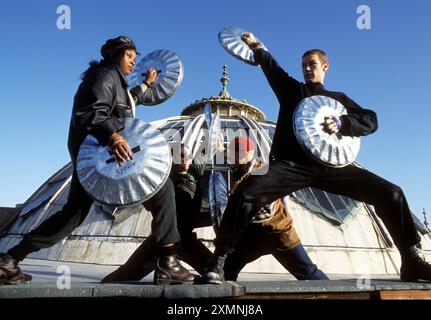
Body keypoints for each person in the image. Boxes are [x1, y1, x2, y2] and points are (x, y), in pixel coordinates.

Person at [202, 32, 431, 284]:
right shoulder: (292, 90)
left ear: (325, 66)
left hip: (331, 168)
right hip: (291, 165)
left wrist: (344, 122)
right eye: (303, 65)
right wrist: (255, 45)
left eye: (312, 64)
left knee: (392, 193)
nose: (307, 69)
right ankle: (219, 261)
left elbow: (370, 119)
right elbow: (271, 67)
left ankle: (412, 262)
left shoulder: (338, 99)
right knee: (246, 192)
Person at [0, 36, 194, 285]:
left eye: (135, 59)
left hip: (99, 160)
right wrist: (113, 135)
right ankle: (168, 263)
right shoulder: (105, 75)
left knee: (72, 215)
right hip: (106, 157)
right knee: (162, 189)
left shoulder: (115, 81)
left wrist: (146, 84)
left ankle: (9, 260)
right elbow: (91, 111)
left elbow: (128, 102)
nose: (133, 63)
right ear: (115, 55)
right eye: (129, 57)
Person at [222, 136, 328, 283]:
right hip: (253, 234)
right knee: (227, 269)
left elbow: (264, 211)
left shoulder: (262, 171)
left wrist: (238, 199)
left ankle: (337, 295)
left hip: (276, 232)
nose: (235, 155)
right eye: (233, 151)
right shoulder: (237, 173)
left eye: (240, 151)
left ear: (250, 152)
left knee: (308, 272)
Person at [101, 144, 213, 282]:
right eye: (180, 156)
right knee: (124, 275)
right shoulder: (162, 183)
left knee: (216, 272)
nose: (184, 159)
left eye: (187, 156)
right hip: (163, 243)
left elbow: (205, 152)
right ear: (171, 159)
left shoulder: (194, 175)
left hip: (187, 240)